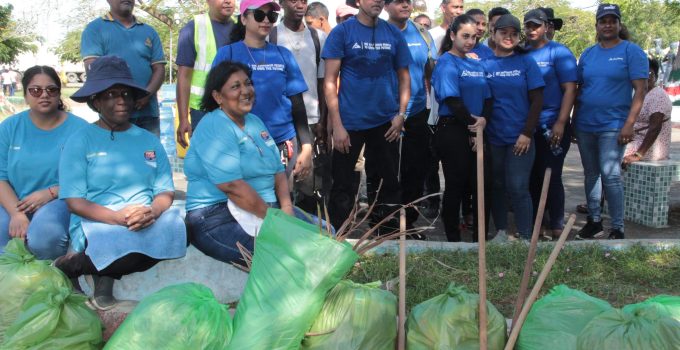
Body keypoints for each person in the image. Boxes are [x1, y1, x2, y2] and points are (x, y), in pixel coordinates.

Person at [54, 56, 187, 310]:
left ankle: (86, 269)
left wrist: (153, 211)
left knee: (184, 231)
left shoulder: (149, 141)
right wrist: (118, 218)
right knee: (126, 247)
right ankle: (69, 266)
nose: (121, 100)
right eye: (111, 94)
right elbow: (74, 201)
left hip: (145, 218)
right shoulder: (80, 141)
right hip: (97, 220)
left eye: (126, 93)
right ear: (96, 102)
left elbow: (164, 190)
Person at [184, 61, 321, 264]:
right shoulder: (215, 125)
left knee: (327, 233)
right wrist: (276, 221)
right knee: (287, 253)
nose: (246, 91)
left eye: (248, 83)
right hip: (216, 215)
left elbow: (278, 171)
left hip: (265, 209)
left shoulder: (255, 122)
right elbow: (233, 187)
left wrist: (286, 209)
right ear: (217, 96)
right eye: (235, 86)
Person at [323, 0, 411, 232]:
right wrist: (337, 125)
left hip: (386, 123)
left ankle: (386, 237)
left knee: (388, 184)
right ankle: (338, 238)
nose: (378, 2)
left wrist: (401, 114)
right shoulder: (342, 32)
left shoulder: (392, 33)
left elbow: (404, 77)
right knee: (342, 185)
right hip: (349, 124)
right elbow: (330, 81)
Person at [212, 0, 313, 189]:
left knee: (282, 205)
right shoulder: (228, 54)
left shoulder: (283, 54)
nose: (266, 20)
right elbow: (214, 102)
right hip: (241, 144)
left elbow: (297, 103)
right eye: (259, 15)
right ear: (243, 18)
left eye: (272, 16)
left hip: (282, 142)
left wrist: (306, 145)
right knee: (248, 206)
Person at [574, 4, 648, 240]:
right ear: (596, 25)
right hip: (586, 123)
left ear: (618, 24)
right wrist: (574, 121)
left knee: (611, 174)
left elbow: (640, 90)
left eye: (612, 21)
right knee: (591, 174)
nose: (607, 25)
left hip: (614, 124)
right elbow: (579, 89)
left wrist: (630, 123)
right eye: (603, 21)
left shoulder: (631, 51)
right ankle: (594, 221)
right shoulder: (588, 54)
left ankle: (617, 227)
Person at [0, 66, 88, 259]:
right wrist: (16, 214)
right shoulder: (9, 128)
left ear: (59, 94)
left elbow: (91, 175)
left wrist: (51, 192)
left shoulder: (80, 130)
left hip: (61, 200)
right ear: (25, 94)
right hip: (16, 201)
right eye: (35, 90)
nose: (44, 95)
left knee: (44, 237)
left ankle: (53, 277)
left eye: (51, 89)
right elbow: (1, 177)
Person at [483, 14, 544, 240]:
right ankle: (500, 231)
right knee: (497, 184)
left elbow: (537, 100)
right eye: (503, 32)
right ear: (493, 34)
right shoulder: (484, 64)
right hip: (494, 137)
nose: (509, 37)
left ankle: (526, 236)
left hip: (520, 137)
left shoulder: (526, 62)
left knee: (518, 186)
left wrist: (527, 133)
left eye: (513, 33)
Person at [431, 14, 492, 242]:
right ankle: (453, 241)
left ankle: (480, 240)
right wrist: (473, 126)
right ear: (453, 35)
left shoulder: (476, 61)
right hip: (454, 130)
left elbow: (488, 97)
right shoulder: (446, 62)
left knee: (481, 186)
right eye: (464, 36)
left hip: (478, 129)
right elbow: (452, 100)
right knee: (455, 185)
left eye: (474, 37)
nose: (469, 41)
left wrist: (483, 121)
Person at [524, 9, 577, 240]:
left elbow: (570, 89)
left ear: (546, 27)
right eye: (528, 26)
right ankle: (539, 223)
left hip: (552, 125)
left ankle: (557, 224)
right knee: (533, 176)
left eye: (537, 25)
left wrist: (561, 122)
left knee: (551, 174)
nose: (532, 30)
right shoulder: (521, 53)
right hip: (528, 127)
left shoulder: (559, 52)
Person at [270, 0, 328, 213]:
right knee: (280, 183)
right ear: (282, 3)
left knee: (309, 185)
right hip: (281, 122)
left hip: (311, 121)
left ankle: (308, 233)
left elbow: (323, 82)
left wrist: (323, 120)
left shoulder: (318, 37)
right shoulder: (272, 35)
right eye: (293, 0)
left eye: (303, 1)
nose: (300, 5)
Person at [385, 0, 436, 236]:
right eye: (397, 1)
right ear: (386, 6)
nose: (404, 5)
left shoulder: (423, 34)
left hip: (416, 113)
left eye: (408, 1)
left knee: (414, 172)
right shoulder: (378, 31)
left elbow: (431, 71)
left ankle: (409, 223)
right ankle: (385, 225)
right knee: (386, 172)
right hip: (385, 114)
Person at [80, 0, 166, 136]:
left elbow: (159, 69)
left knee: (150, 156)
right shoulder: (94, 29)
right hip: (114, 114)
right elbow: (93, 70)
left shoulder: (149, 31)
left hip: (148, 113)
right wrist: (120, 100)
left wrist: (146, 95)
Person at [423, 0, 465, 219]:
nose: (458, 11)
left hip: (457, 116)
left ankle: (457, 210)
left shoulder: (468, 39)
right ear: (443, 8)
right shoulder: (429, 36)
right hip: (432, 109)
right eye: (454, 6)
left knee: (455, 169)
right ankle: (432, 200)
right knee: (431, 163)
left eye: (461, 7)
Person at [175, 0, 236, 148]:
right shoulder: (194, 27)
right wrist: (184, 119)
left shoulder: (241, 27)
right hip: (203, 111)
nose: (228, 1)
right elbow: (184, 76)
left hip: (235, 108)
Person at [623, 58, 673, 166]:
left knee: (612, 153)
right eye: (641, 73)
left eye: (650, 73)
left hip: (650, 147)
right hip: (636, 140)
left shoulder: (658, 95)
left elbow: (655, 128)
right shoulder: (639, 94)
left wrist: (638, 155)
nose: (646, 76)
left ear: (656, 76)